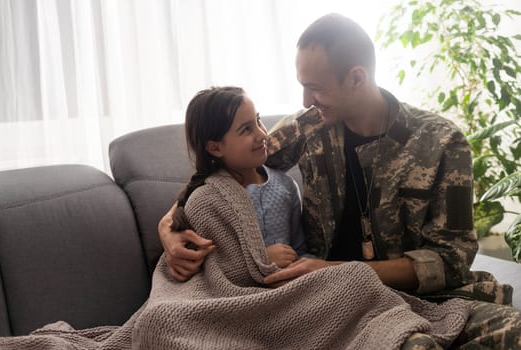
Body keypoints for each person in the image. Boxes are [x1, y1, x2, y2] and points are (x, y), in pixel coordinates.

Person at [159, 14, 521, 348]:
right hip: (333, 303)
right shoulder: (308, 126)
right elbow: (227, 169)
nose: (305, 100)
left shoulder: (442, 142)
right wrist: (170, 226)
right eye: (302, 86)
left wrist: (336, 270)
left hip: (425, 298)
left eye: (314, 87)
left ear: (357, 78)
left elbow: (451, 260)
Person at [172, 86, 312, 269]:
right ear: (215, 148)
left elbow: (300, 249)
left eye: (258, 120)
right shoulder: (207, 202)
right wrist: (262, 260)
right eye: (246, 129)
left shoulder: (286, 186)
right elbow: (211, 269)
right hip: (235, 293)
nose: (262, 134)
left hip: (287, 284)